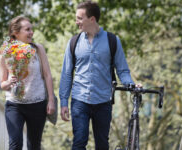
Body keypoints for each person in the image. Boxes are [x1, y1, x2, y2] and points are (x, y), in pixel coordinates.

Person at [59, 1, 140, 149]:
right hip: (79, 100)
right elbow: (66, 74)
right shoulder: (74, 42)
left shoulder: (112, 41)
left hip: (103, 101)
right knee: (79, 142)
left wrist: (132, 85)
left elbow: (122, 70)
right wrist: (63, 102)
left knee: (102, 145)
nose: (76, 22)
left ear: (92, 19)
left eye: (79, 18)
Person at [0, 16, 55, 150]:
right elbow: (2, 84)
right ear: (15, 33)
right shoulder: (5, 54)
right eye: (27, 30)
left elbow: (47, 75)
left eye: (31, 29)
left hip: (37, 104)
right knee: (15, 144)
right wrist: (9, 82)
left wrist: (51, 100)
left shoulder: (38, 49)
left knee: (34, 146)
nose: (31, 32)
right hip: (14, 104)